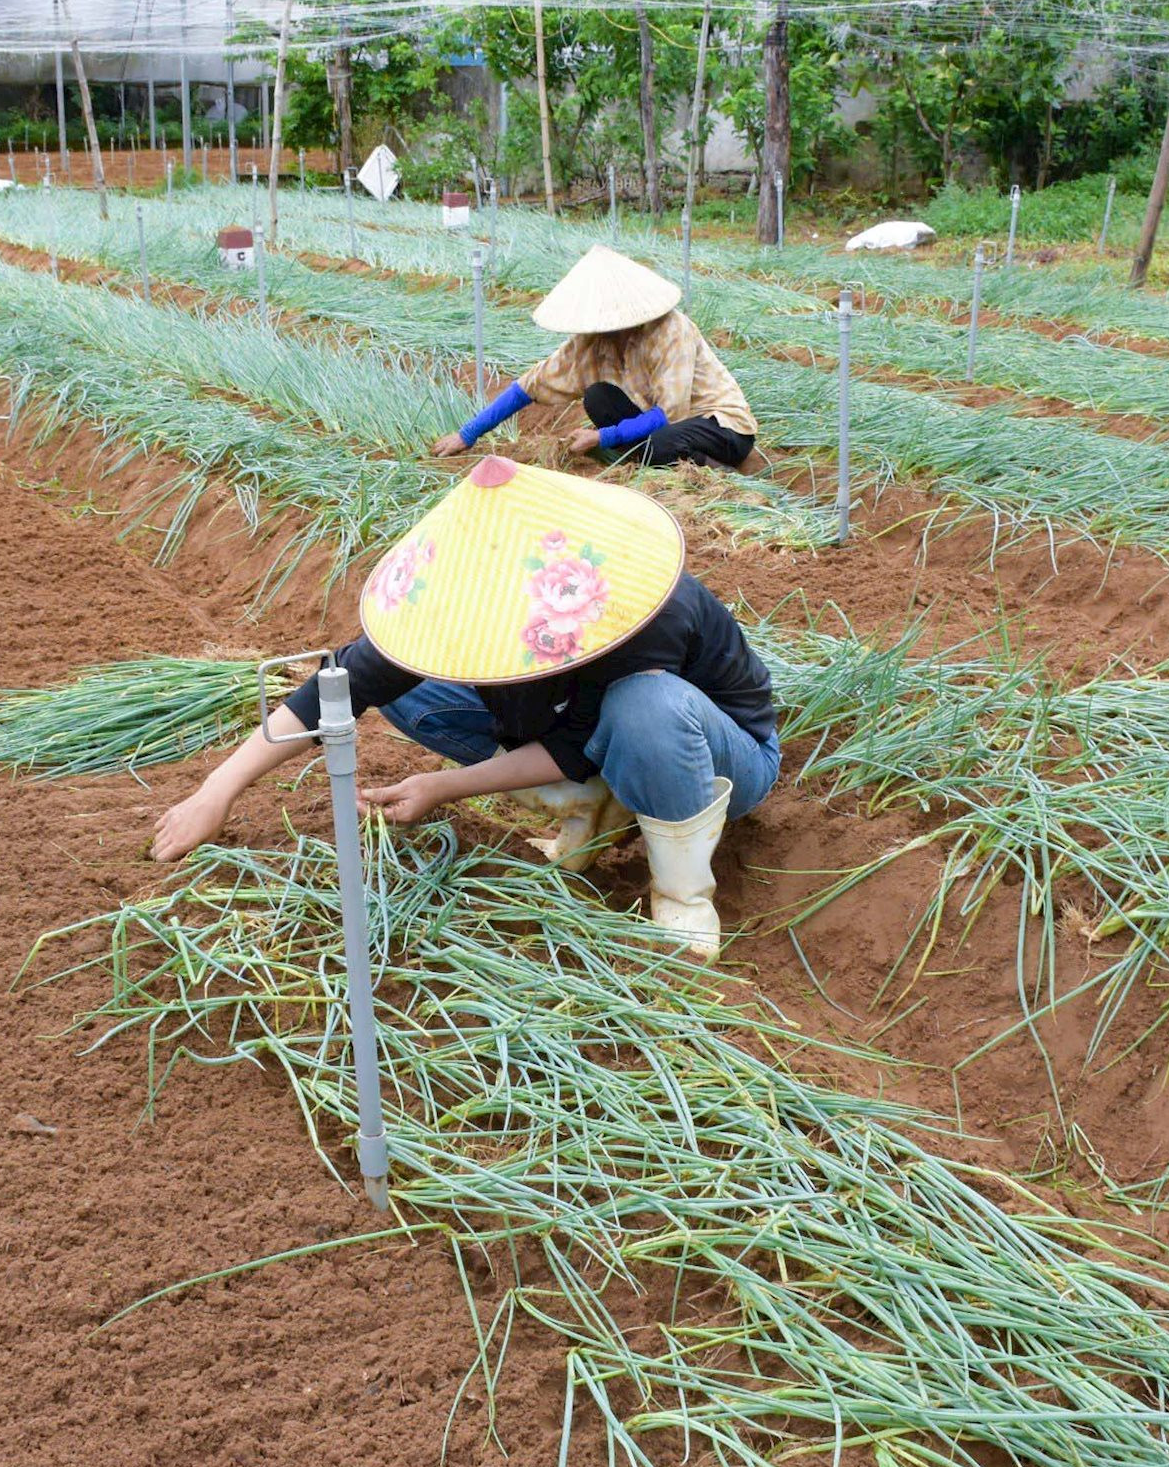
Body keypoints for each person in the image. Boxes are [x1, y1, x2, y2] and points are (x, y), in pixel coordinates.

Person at [151, 455, 779, 960]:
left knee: (645, 705)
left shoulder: (640, 607)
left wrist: (441, 785)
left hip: (722, 760)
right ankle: (586, 804)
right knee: (415, 680)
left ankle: (682, 894)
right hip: (594, 737)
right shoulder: (465, 601)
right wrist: (218, 790)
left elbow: (577, 740)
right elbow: (337, 689)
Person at [432, 244, 757, 472]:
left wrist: (602, 437)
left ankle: (713, 472)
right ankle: (651, 461)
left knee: (660, 442)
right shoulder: (591, 343)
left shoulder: (671, 331)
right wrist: (467, 434)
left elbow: (667, 415)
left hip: (722, 428)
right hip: (670, 429)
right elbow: (528, 386)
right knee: (598, 397)